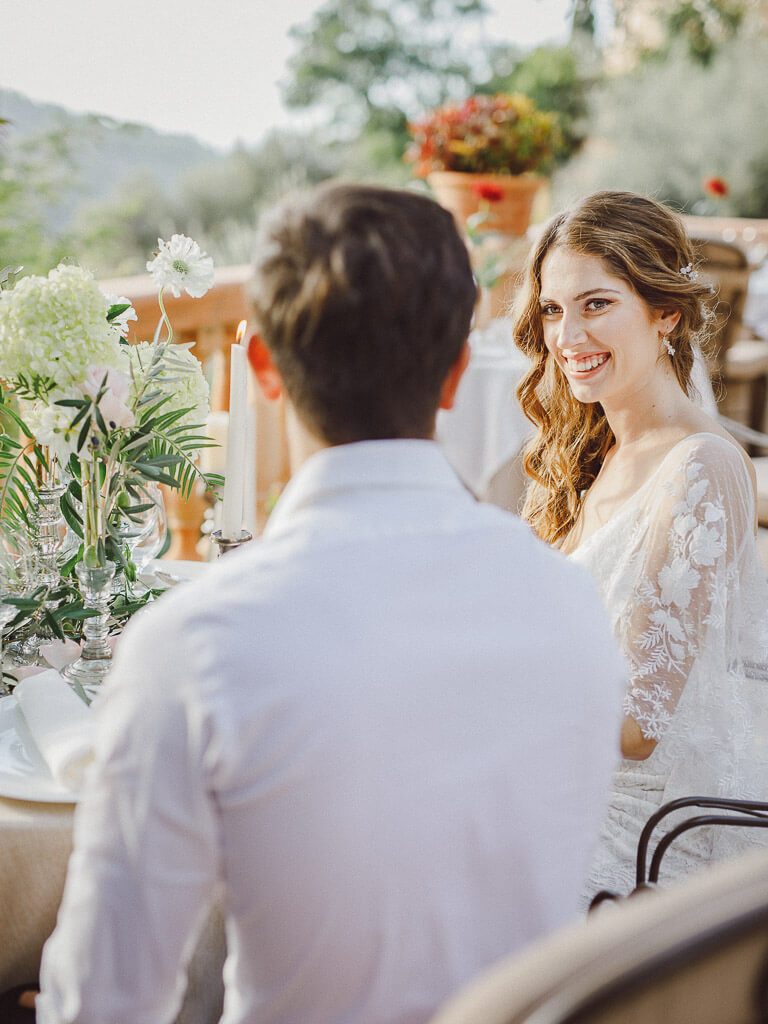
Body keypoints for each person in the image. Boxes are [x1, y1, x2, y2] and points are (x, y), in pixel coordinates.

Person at [38, 183, 625, 1024]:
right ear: (459, 374)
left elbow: (102, 1001)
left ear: (264, 369)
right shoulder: (569, 603)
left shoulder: (196, 644)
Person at [514, 189, 768, 902]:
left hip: (639, 840)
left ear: (666, 314)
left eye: (597, 305)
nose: (568, 337)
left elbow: (636, 724)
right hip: (562, 786)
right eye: (554, 310)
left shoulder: (701, 466)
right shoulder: (592, 457)